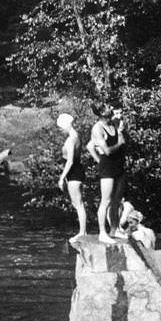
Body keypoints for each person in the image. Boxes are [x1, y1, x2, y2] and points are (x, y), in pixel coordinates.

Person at [87, 102, 127, 245]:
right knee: (106, 201)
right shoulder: (97, 128)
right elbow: (107, 150)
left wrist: (121, 131)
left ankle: (114, 229)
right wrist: (120, 143)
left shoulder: (113, 125)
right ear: (102, 112)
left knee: (116, 200)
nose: (111, 107)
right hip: (108, 167)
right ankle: (102, 233)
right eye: (107, 107)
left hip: (118, 166)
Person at [56, 112, 88, 243]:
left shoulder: (71, 139)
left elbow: (69, 161)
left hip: (74, 173)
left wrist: (61, 177)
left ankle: (82, 232)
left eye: (61, 127)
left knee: (78, 204)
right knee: (78, 203)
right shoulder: (77, 136)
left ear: (65, 126)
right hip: (77, 171)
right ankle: (83, 231)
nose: (60, 130)